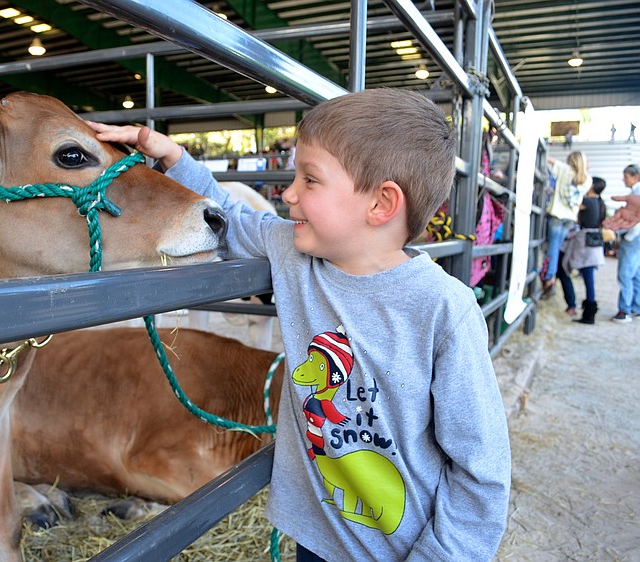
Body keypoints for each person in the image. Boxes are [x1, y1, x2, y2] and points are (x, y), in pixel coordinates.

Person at [88, 89, 511, 561]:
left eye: (310, 180)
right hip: (314, 534)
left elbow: (481, 468)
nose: (288, 193)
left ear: (381, 204)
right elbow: (230, 219)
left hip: (402, 548)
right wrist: (172, 156)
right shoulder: (295, 253)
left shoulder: (443, 309)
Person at [558, 177, 607, 324]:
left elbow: (570, 205)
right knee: (589, 277)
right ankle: (588, 311)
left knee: (569, 269)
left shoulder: (587, 202)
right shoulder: (599, 202)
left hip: (585, 242)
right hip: (594, 241)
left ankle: (586, 313)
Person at [542, 152, 590, 298]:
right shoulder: (587, 179)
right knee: (556, 248)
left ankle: (549, 277)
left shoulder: (563, 169)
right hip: (570, 218)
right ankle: (550, 277)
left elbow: (547, 159)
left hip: (556, 214)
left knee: (552, 248)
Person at [612, 164, 640, 322]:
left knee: (625, 274)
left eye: (626, 176)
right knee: (636, 273)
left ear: (635, 176)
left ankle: (624, 310)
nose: (624, 179)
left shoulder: (637, 192)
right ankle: (636, 307)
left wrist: (627, 237)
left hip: (634, 237)